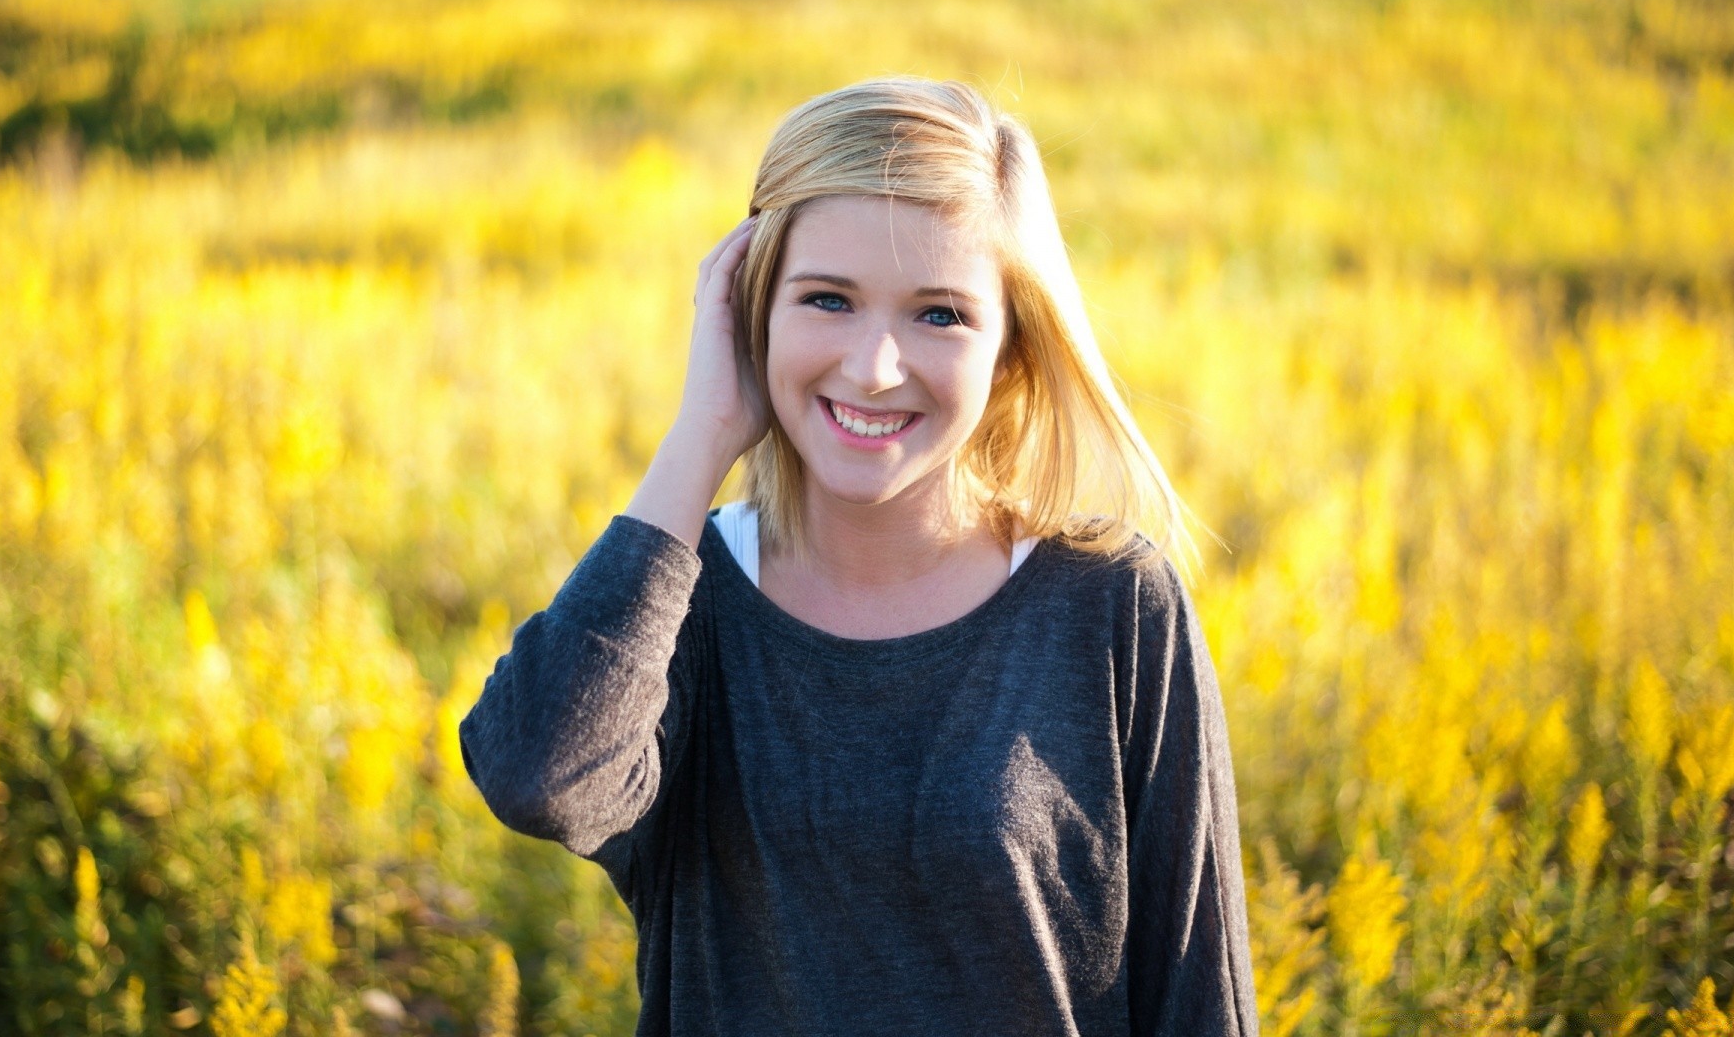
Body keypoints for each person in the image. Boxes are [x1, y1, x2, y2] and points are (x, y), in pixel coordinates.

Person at [458, 77, 1259, 1035]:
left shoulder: (1112, 606)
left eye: (940, 315)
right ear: (753, 312)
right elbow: (539, 772)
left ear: (1010, 347)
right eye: (827, 299)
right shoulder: (682, 601)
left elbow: (1199, 996)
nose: (875, 367)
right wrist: (704, 434)